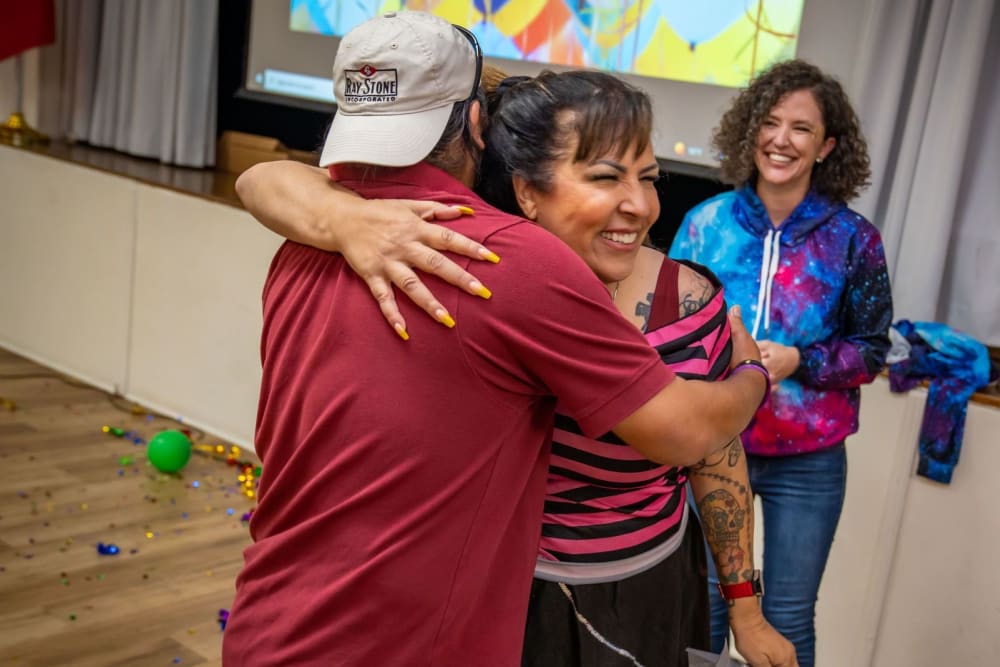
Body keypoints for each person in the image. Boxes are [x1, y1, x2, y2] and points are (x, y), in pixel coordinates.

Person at [222, 11, 767, 667]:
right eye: (602, 175)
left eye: (645, 176)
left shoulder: (308, 236)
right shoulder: (509, 261)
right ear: (477, 127)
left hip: (267, 624)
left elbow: (265, 179)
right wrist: (752, 373)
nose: (636, 202)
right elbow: (682, 430)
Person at [669, 59, 893, 667]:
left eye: (801, 128)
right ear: (750, 131)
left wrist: (802, 360)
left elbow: (873, 349)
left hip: (808, 462)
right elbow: (666, 331)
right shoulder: (704, 224)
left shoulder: (853, 239)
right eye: (770, 123)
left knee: (788, 614)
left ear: (826, 147)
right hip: (713, 448)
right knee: (705, 606)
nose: (781, 140)